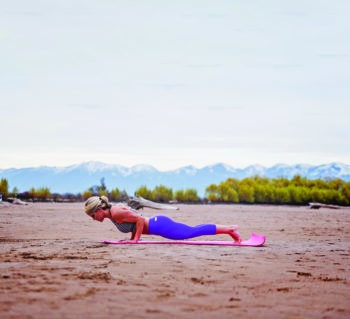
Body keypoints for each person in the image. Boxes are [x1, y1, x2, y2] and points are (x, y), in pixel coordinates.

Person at [84, 196, 242, 243]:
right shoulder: (112, 213)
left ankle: (230, 230)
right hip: (157, 224)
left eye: (92, 216)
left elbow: (139, 219)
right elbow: (133, 223)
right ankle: (230, 229)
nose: (93, 219)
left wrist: (135, 240)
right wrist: (131, 238)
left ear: (98, 210)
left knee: (193, 231)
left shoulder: (115, 212)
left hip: (159, 225)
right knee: (193, 229)